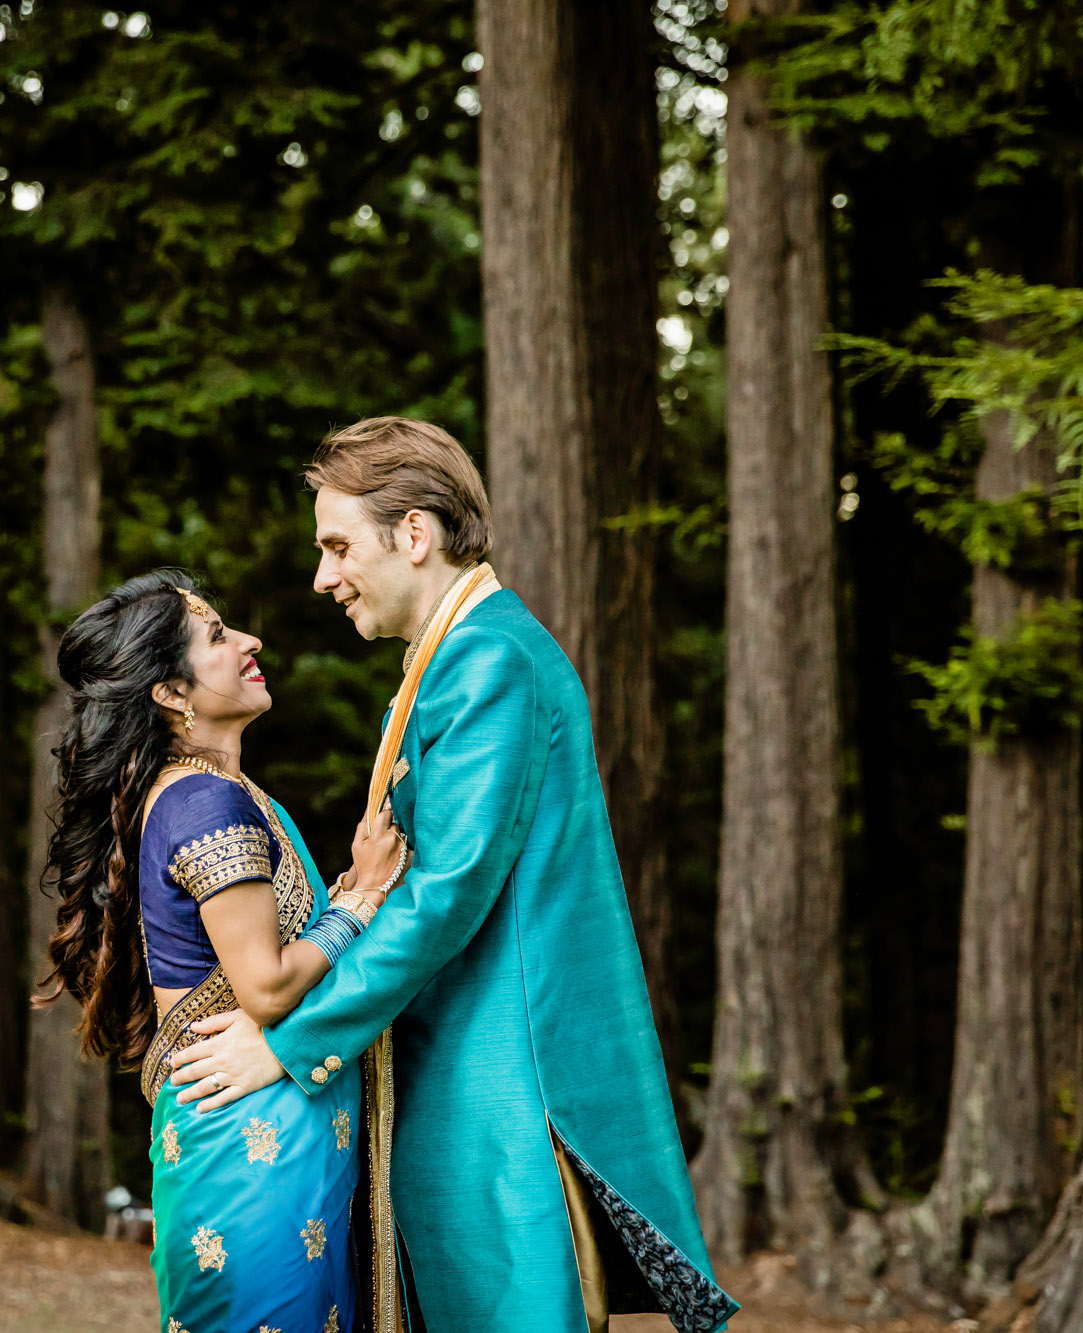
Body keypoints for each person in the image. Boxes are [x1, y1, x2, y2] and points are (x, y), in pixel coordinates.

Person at [168, 418, 739, 1333]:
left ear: (416, 534)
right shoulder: (451, 656)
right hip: (463, 1075)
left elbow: (447, 891)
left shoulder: (489, 660)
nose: (322, 576)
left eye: (338, 545)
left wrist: (287, 1041)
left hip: (501, 1086)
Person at [33, 569, 406, 1333]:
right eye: (216, 636)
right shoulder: (206, 800)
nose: (248, 641)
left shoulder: (205, 789)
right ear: (170, 693)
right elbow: (265, 988)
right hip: (250, 1142)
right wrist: (360, 901)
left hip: (262, 1128)